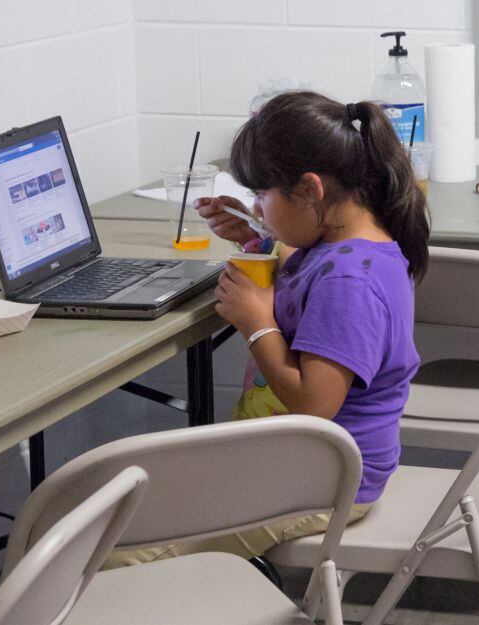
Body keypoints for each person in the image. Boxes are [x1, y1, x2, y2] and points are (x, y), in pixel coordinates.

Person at [105, 91, 429, 567]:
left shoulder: (350, 281)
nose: (257, 208)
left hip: (322, 481)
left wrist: (256, 322)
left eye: (263, 196)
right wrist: (254, 238)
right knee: (135, 507)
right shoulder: (341, 243)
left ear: (311, 190)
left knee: (120, 551)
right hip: (293, 463)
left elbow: (314, 406)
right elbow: (299, 264)